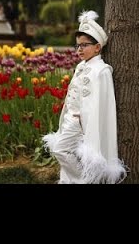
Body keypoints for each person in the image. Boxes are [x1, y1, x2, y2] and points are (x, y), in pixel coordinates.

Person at [42, 10, 126, 184]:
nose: (79, 49)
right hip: (68, 120)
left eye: (84, 45)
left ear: (97, 47)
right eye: (78, 46)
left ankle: (84, 181)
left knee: (60, 149)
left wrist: (83, 120)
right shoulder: (81, 66)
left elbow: (102, 104)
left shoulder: (101, 71)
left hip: (81, 123)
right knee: (66, 152)